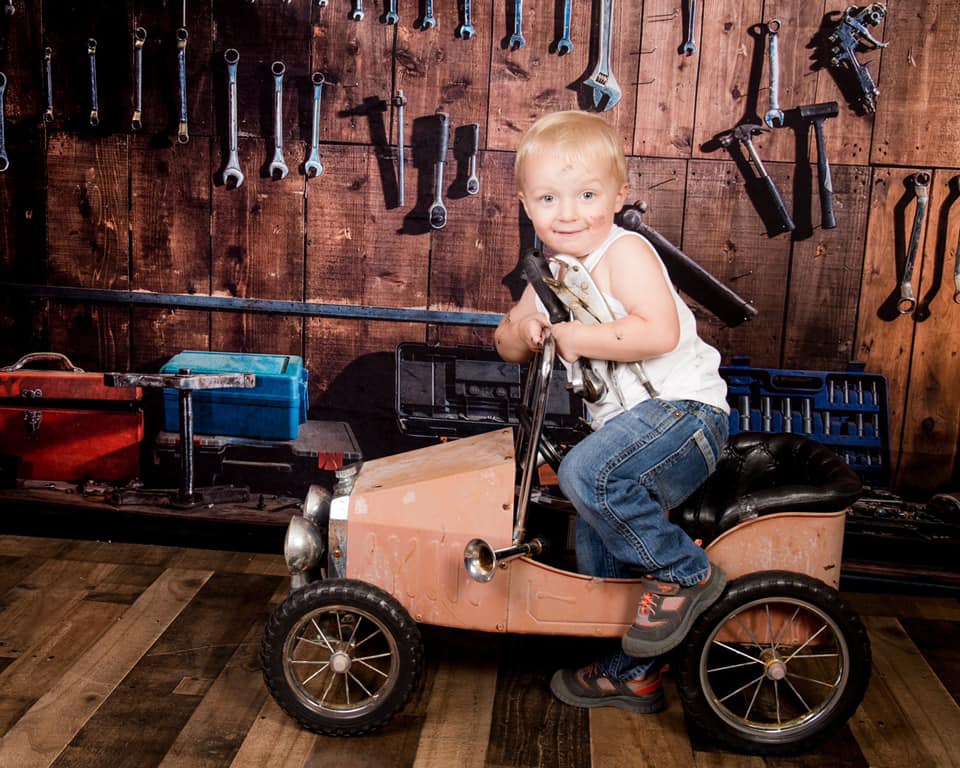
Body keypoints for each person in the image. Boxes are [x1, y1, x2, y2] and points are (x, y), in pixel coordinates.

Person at [494, 110, 730, 714]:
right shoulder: (552, 270)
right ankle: (634, 672)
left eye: (587, 195)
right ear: (526, 204)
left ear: (620, 195)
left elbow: (657, 332)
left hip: (685, 417)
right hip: (634, 429)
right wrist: (526, 326)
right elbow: (506, 341)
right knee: (599, 541)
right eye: (549, 198)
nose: (567, 213)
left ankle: (686, 573)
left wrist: (576, 337)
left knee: (587, 474)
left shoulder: (627, 253)